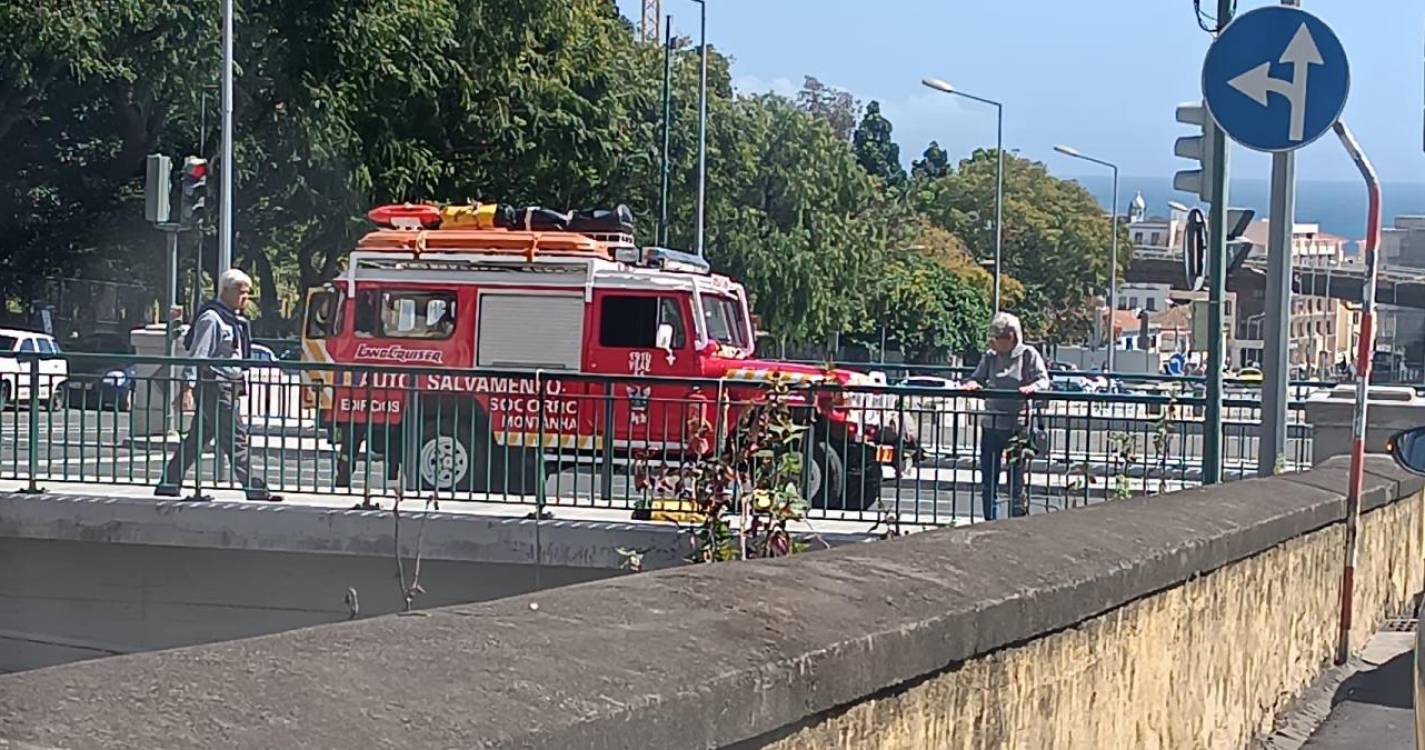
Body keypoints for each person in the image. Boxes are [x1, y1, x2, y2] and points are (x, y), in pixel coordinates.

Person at [156, 269, 282, 502]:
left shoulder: (231, 318)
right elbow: (198, 355)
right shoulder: (212, 318)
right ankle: (254, 488)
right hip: (216, 384)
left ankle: (168, 482)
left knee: (197, 439)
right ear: (227, 290)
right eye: (242, 292)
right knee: (236, 437)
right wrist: (187, 388)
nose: (245, 298)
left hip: (228, 384)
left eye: (247, 293)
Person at [961, 312, 1050, 521]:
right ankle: (989, 521)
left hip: (1017, 427)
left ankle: (1016, 521)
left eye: (998, 338)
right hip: (991, 423)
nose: (994, 342)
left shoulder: (1028, 354)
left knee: (1016, 481)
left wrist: (1032, 387)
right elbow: (977, 377)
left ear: (1011, 336)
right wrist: (973, 384)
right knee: (988, 480)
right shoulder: (990, 357)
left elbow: (1043, 380)